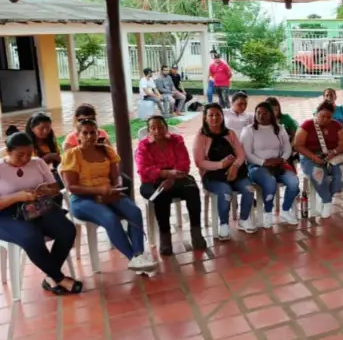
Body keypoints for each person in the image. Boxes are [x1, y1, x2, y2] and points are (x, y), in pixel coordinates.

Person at [61, 119, 158, 272]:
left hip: (108, 193)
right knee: (109, 218)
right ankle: (133, 257)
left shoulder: (106, 150)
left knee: (134, 211)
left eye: (92, 132)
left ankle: (139, 254)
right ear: (78, 136)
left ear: (97, 133)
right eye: (84, 133)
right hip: (82, 199)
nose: (89, 136)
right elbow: (71, 187)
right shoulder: (72, 155)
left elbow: (116, 176)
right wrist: (98, 190)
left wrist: (117, 186)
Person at [0, 130, 79, 295]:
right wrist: (17, 197)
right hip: (7, 215)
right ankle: (59, 278)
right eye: (20, 155)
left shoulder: (37, 163)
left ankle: (50, 278)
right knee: (31, 237)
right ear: (8, 152)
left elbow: (55, 188)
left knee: (67, 230)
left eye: (29, 154)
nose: (25, 159)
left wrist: (46, 190)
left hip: (38, 208)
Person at [135, 115, 205, 255]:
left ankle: (196, 232)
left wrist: (173, 176)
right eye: (153, 128)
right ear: (149, 131)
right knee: (162, 195)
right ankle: (165, 236)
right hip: (152, 181)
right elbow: (143, 170)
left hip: (177, 177)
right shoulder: (144, 146)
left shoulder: (176, 140)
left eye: (160, 127)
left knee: (192, 189)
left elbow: (184, 162)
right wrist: (166, 174)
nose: (157, 130)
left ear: (166, 127)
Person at [193, 103, 255, 240]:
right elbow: (199, 162)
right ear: (205, 118)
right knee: (226, 192)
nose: (214, 118)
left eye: (218, 115)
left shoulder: (230, 133)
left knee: (249, 189)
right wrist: (221, 165)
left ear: (222, 116)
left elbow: (240, 155)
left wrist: (234, 167)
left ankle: (244, 219)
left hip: (236, 172)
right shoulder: (201, 137)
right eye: (211, 115)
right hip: (213, 176)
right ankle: (224, 224)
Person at [241, 101, 299, 227]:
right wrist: (264, 162)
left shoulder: (279, 129)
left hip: (278, 165)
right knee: (270, 182)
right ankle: (268, 212)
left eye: (265, 113)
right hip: (257, 167)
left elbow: (287, 148)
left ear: (271, 114)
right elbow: (247, 153)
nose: (261, 115)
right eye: (258, 113)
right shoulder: (249, 130)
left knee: (293, 182)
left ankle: (285, 210)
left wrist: (282, 159)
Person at [295, 101, 343, 219]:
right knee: (319, 173)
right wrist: (313, 157)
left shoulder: (337, 126)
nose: (325, 119)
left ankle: (325, 195)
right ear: (316, 114)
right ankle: (327, 201)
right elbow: (298, 145)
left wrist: (334, 152)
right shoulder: (307, 125)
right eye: (322, 116)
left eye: (328, 117)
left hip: (332, 155)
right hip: (309, 156)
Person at [23, 113, 63, 196]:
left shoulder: (50, 142)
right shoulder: (26, 145)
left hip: (50, 173)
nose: (45, 131)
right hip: (34, 177)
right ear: (32, 129)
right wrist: (48, 157)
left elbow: (58, 157)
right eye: (41, 128)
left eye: (48, 128)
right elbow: (29, 165)